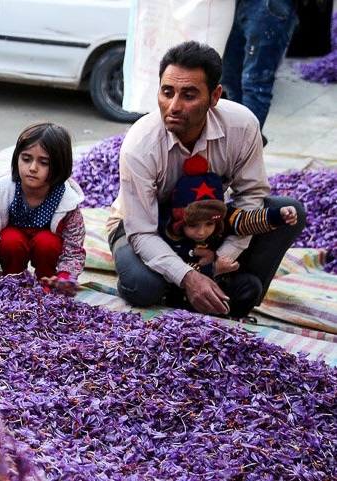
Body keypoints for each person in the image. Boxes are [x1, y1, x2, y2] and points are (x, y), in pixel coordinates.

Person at [107, 41, 305, 317]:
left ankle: (228, 284)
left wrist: (222, 257)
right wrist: (190, 277)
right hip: (144, 228)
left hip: (210, 229)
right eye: (167, 92)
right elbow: (141, 231)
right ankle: (206, 290)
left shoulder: (241, 125)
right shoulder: (140, 144)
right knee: (143, 287)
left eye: (189, 95)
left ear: (215, 97)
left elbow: (251, 196)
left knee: (289, 211)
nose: (173, 106)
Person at [159, 155, 299, 317]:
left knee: (251, 285)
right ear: (180, 222)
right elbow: (176, 271)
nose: (202, 232)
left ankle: (230, 317)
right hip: (184, 290)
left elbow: (245, 221)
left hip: (220, 283)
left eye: (209, 224)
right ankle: (192, 313)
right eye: (193, 225)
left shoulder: (221, 220)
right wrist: (213, 269)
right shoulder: (173, 238)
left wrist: (277, 216)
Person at [0, 122, 86, 296]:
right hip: (13, 244)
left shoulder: (68, 202)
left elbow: (74, 248)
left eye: (44, 162)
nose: (32, 168)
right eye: (26, 159)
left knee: (46, 242)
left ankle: (46, 284)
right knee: (10, 239)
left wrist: (64, 277)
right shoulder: (0, 193)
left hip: (47, 249)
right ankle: (13, 281)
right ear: (17, 157)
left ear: (60, 166)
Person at [220, 0, 300, 131]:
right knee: (231, 79)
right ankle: (237, 140)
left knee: (254, 83)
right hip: (241, 6)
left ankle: (246, 144)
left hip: (268, 8)